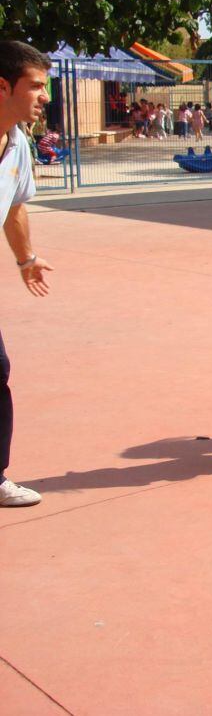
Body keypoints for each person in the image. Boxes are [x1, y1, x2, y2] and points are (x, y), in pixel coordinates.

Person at [0, 40, 55, 507]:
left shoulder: (18, 144)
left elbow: (14, 206)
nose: (45, 97)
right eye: (36, 86)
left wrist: (25, 259)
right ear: (3, 86)